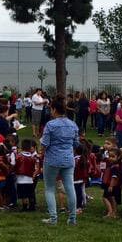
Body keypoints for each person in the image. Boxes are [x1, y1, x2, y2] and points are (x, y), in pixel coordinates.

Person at [39, 96, 79, 225]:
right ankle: (72, 218)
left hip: (52, 160)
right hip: (68, 159)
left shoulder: (50, 125)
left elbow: (44, 144)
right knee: (70, 188)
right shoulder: (73, 124)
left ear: (54, 109)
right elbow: (76, 143)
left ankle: (53, 218)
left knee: (49, 188)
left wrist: (41, 153)